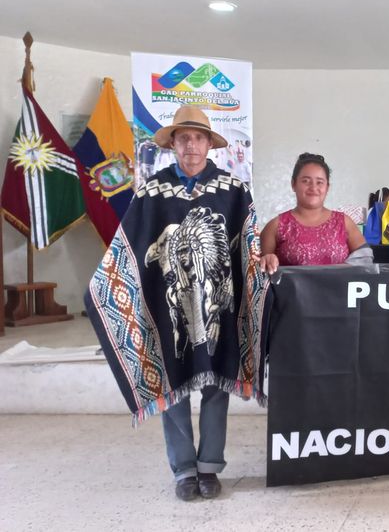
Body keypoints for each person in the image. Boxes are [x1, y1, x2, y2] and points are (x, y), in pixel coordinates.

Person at [85, 105, 268, 502]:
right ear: (173, 144)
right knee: (175, 382)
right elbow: (132, 244)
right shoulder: (151, 191)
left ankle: (210, 466)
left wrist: (262, 268)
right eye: (183, 138)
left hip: (218, 307)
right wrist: (106, 281)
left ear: (209, 144)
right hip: (171, 306)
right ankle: (184, 469)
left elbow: (248, 244)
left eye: (198, 138)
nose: (191, 145)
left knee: (217, 385)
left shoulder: (234, 190)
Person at [258, 153, 368, 274]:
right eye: (305, 181)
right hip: (289, 288)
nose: (313, 187)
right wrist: (267, 260)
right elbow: (260, 272)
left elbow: (365, 261)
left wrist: (339, 272)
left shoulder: (344, 223)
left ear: (327, 187)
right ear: (293, 184)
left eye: (319, 182)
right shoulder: (275, 226)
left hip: (339, 286)